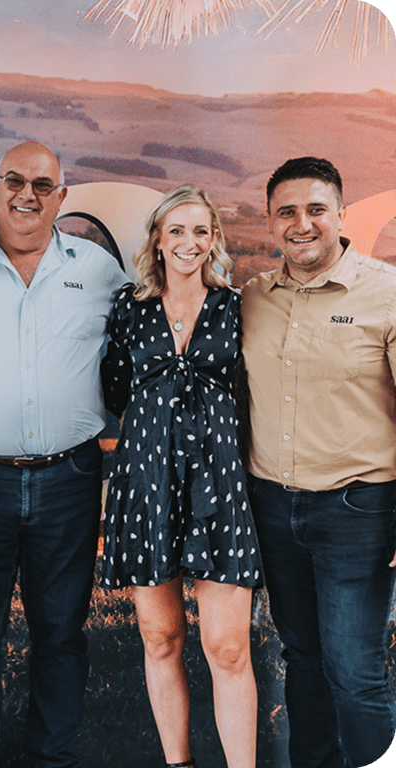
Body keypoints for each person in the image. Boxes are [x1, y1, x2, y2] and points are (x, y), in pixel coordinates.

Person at [0, 141, 127, 768]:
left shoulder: (98, 271)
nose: (27, 194)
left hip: (69, 477)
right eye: (14, 180)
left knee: (61, 635)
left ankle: (52, 759)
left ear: (62, 197)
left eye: (43, 184)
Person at [242, 156, 396, 768]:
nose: (301, 224)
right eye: (287, 212)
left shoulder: (385, 293)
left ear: (339, 215)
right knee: (301, 657)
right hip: (274, 507)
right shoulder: (253, 298)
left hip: (357, 510)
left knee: (355, 668)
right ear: (271, 222)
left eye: (315, 210)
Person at [101, 184, 261, 768]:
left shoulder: (236, 306)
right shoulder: (130, 308)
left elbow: (254, 393)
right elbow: (113, 388)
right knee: (161, 638)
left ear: (214, 238)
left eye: (201, 230)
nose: (189, 242)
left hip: (219, 487)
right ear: (158, 241)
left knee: (226, 646)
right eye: (177, 231)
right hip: (148, 486)